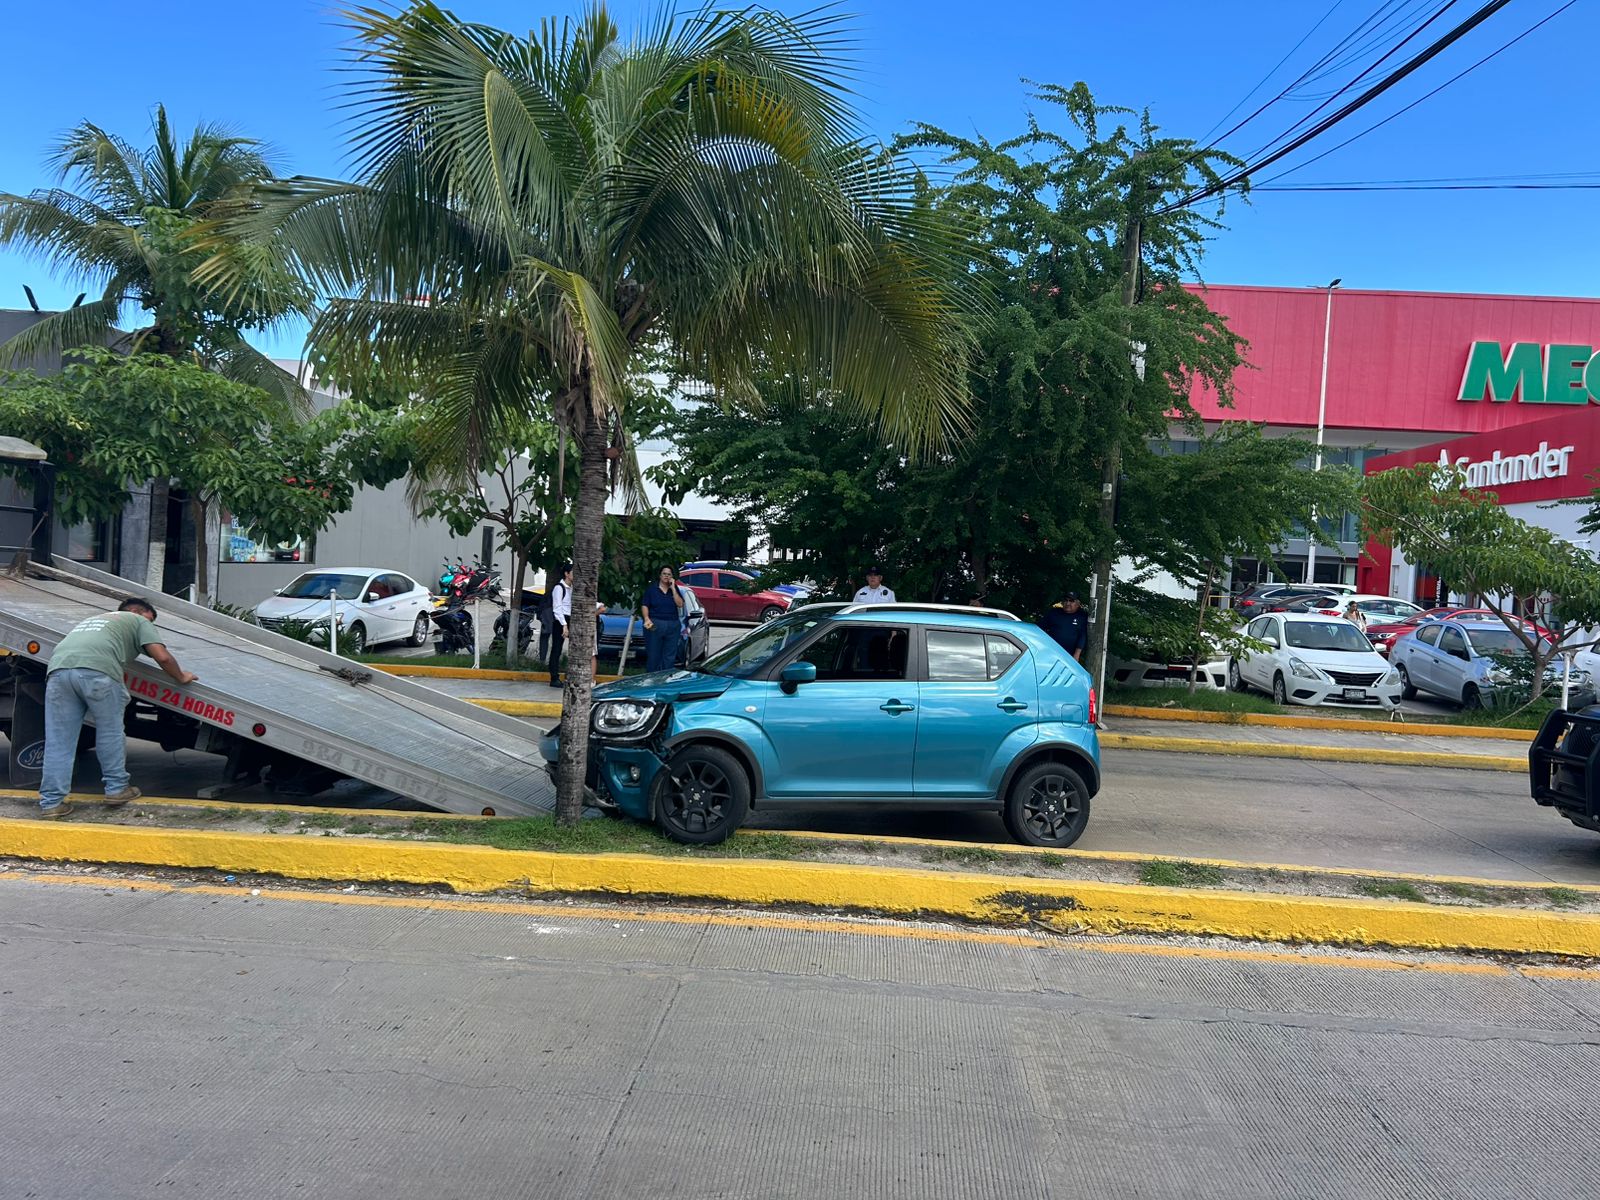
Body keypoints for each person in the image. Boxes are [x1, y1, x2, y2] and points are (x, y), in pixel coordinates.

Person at [38, 598, 197, 819]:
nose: (151, 626)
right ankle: (116, 788)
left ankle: (51, 803)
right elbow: (162, 656)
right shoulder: (137, 620)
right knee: (109, 731)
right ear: (137, 611)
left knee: (59, 740)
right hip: (98, 673)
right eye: (151, 620)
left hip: (58, 672)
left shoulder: (94, 621)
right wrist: (181, 676)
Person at [641, 566, 687, 672]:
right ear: (660, 575)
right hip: (654, 623)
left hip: (673, 624)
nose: (666, 576)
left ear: (672, 577)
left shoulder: (675, 589)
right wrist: (646, 619)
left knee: (669, 655)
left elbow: (680, 604)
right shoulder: (652, 589)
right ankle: (651, 676)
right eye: (664, 574)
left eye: (669, 574)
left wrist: (673, 588)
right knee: (653, 653)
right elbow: (645, 605)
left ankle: (665, 677)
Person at [1040, 591, 1089, 662]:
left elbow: (1082, 637)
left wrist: (1076, 655)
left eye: (1071, 601)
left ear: (1078, 604)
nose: (1068, 603)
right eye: (1066, 600)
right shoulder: (1054, 612)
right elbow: (1040, 628)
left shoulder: (1082, 617)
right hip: (1049, 651)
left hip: (1068, 656)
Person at [548, 563, 572, 688]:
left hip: (571, 618)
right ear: (566, 574)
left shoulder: (572, 588)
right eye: (573, 572)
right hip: (561, 619)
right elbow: (557, 608)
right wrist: (564, 625)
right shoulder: (559, 588)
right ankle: (554, 677)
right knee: (557, 648)